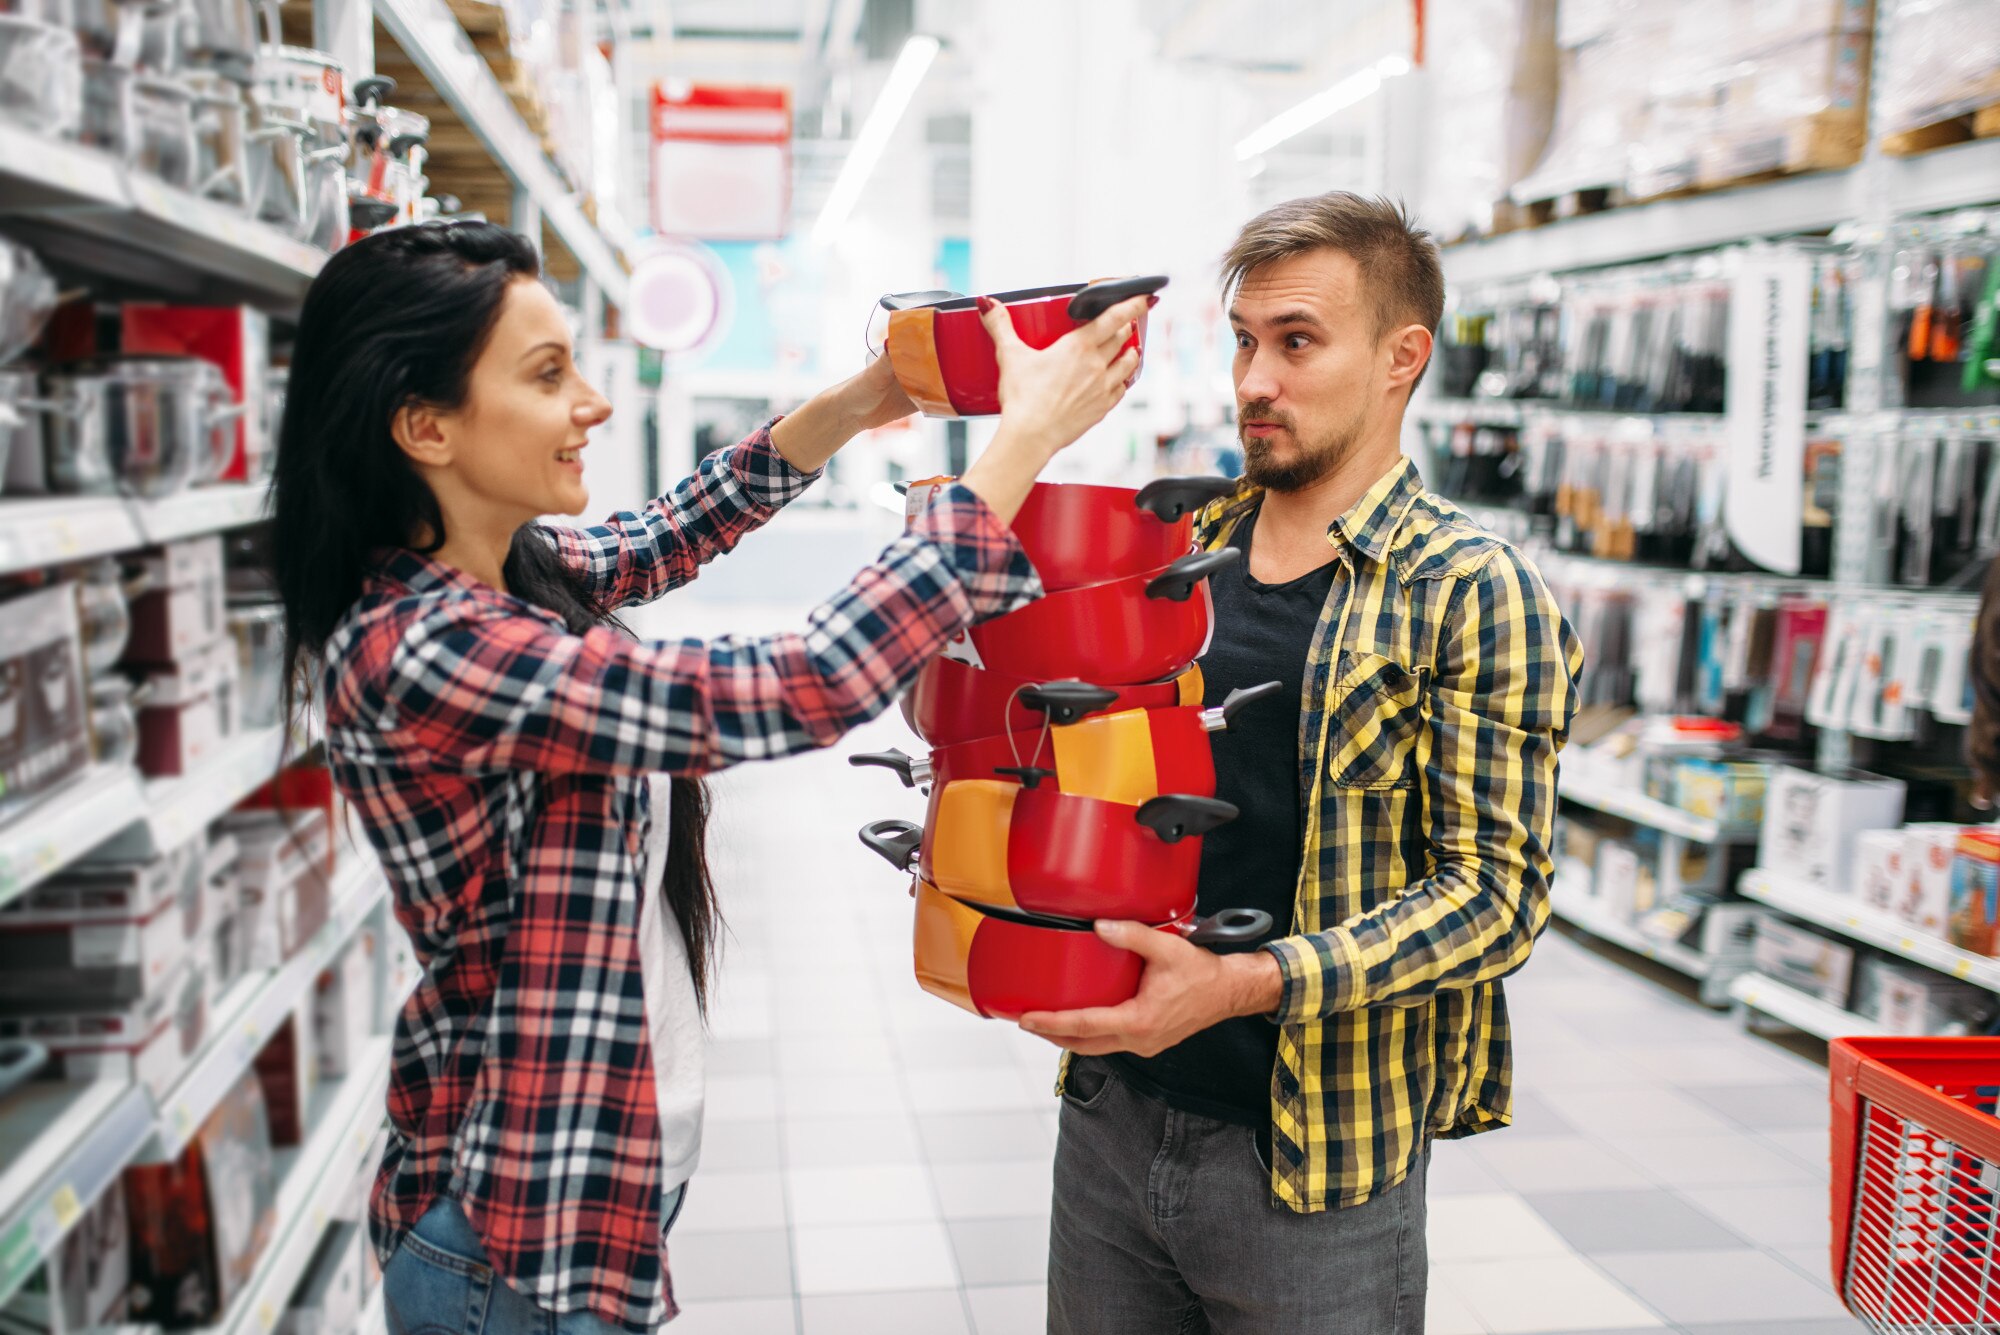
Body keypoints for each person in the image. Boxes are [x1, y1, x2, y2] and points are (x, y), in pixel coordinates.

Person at [269, 220, 1151, 1334]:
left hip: (594, 1180)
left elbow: (655, 538)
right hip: (511, 1230)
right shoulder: (427, 648)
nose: (592, 402)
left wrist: (860, 400)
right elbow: (802, 682)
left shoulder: (502, 579)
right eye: (548, 376)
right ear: (425, 427)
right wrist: (1015, 449)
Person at [1026, 192, 1585, 1335]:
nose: (1252, 383)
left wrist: (1247, 982)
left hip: (1312, 1164)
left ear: (1400, 358)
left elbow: (1496, 900)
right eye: (1242, 341)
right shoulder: (1172, 549)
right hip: (1111, 1118)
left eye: (1295, 342)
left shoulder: (1470, 591)